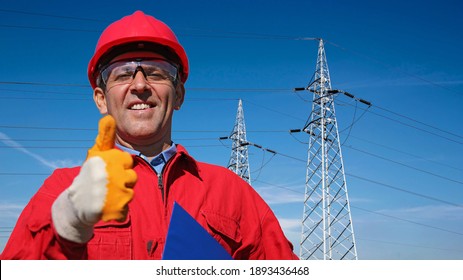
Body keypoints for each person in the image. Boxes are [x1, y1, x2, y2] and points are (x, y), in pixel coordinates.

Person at [0, 10, 298, 260]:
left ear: (178, 95)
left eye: (156, 72)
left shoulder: (231, 191)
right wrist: (66, 225)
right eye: (123, 73)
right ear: (101, 99)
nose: (140, 85)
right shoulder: (62, 189)